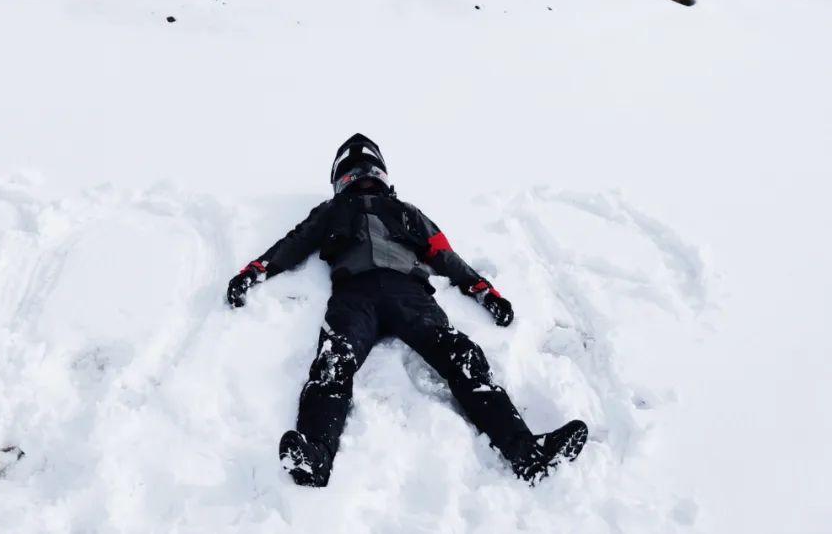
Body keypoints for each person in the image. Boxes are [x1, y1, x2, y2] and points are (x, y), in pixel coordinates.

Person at [226, 134, 587, 487]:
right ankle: (315, 457)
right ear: (340, 179)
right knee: (332, 363)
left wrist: (483, 290)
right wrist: (254, 272)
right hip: (355, 295)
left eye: (370, 170)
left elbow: (444, 255)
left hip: (409, 294)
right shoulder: (332, 211)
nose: (364, 177)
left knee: (462, 357)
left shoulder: (407, 212)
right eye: (354, 172)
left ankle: (527, 455)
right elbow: (293, 244)